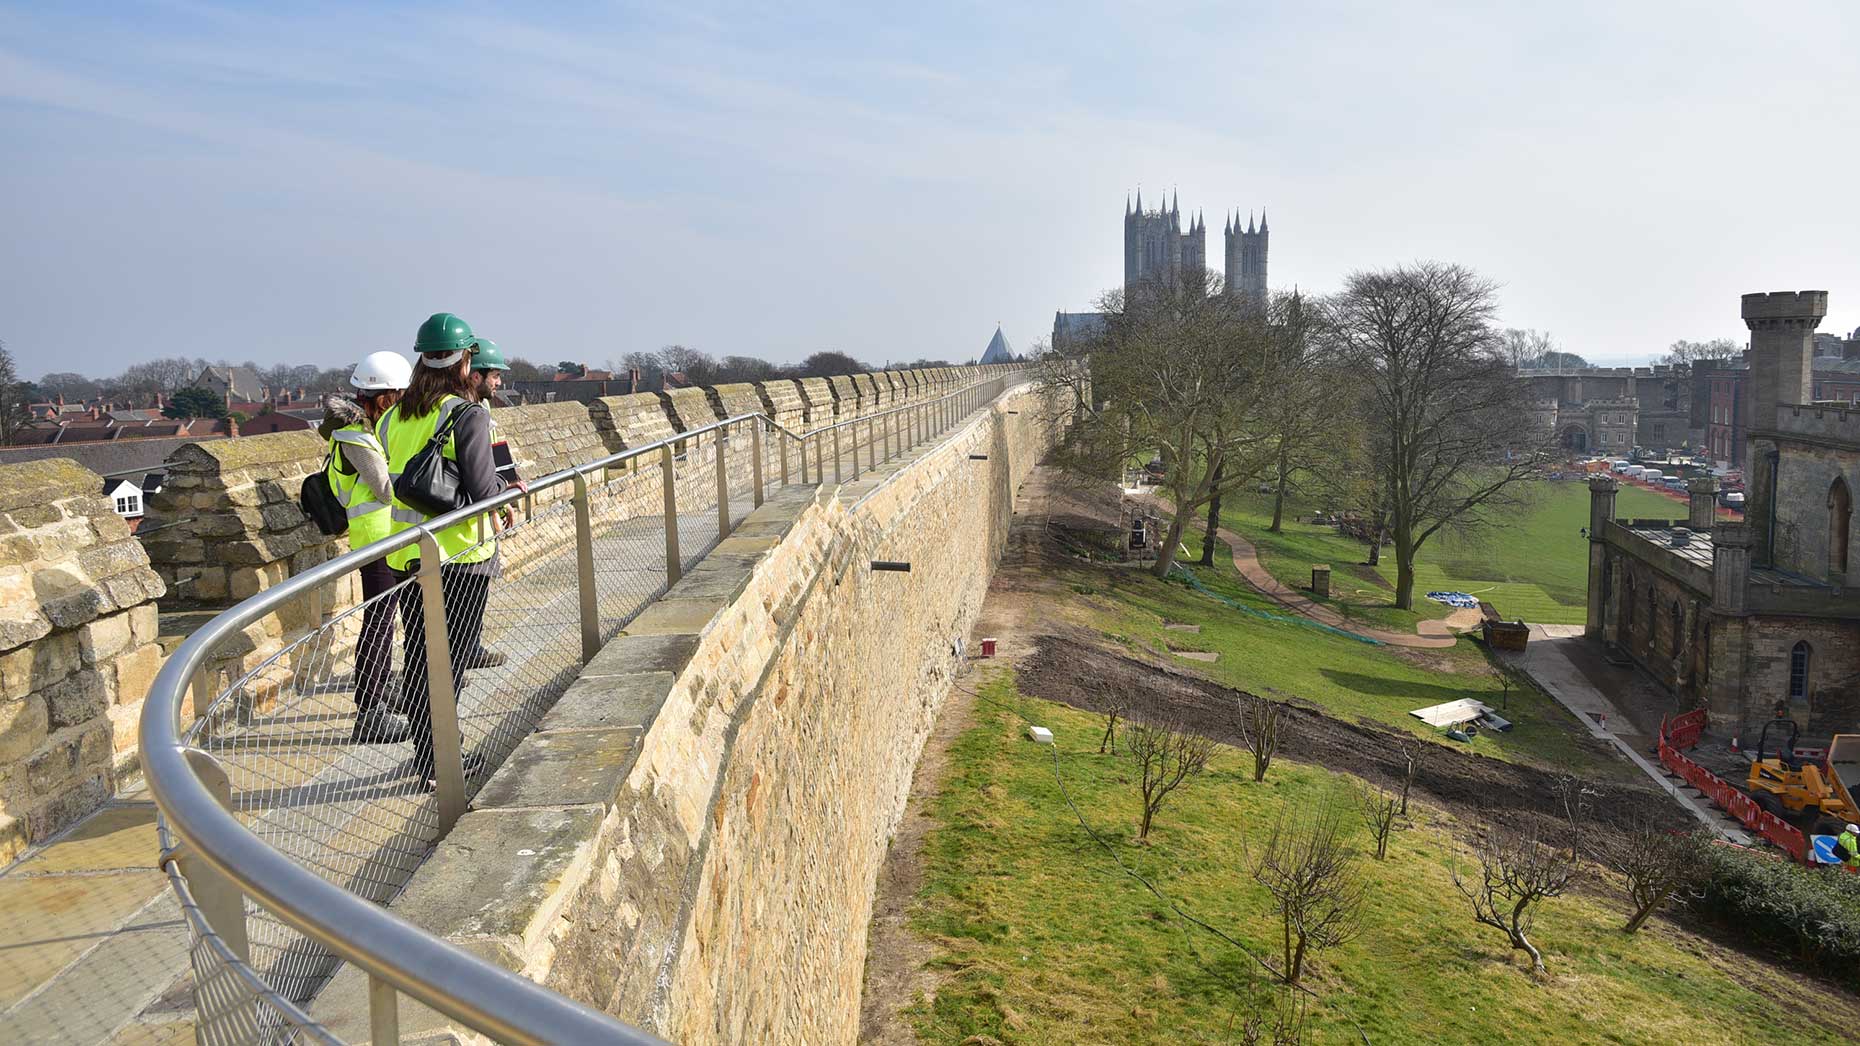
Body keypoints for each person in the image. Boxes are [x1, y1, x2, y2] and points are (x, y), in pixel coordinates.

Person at [378, 312, 507, 786]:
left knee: (419, 655)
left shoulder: (393, 416)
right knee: (448, 662)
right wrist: (510, 491)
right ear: (463, 360)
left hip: (407, 555)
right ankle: (441, 761)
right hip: (460, 558)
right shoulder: (466, 415)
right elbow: (482, 490)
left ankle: (427, 756)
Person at [319, 350, 416, 744]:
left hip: (390, 537)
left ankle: (383, 689)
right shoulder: (356, 437)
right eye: (399, 396)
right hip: (376, 542)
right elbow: (386, 488)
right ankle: (370, 711)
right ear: (382, 398)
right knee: (378, 623)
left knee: (388, 620)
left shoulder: (374, 429)